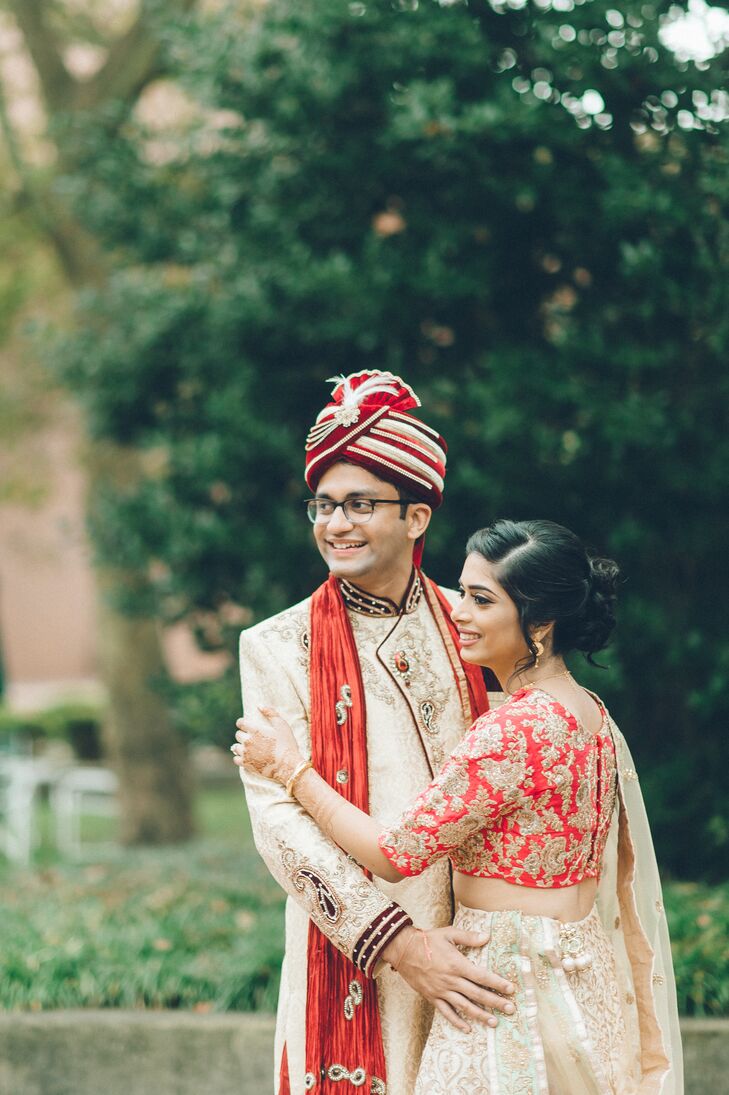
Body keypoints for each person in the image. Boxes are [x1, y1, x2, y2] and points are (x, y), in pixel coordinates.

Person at [234, 519, 683, 1094]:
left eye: (480, 600)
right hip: (581, 971)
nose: (459, 613)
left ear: (539, 624)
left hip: (504, 982)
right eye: (462, 594)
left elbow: (392, 854)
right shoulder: (589, 711)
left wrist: (291, 770)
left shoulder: (511, 731)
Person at [236, 370, 515, 1095]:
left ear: (416, 516)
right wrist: (399, 943)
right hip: (357, 952)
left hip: (485, 942)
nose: (335, 524)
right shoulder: (276, 645)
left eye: (360, 503)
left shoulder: (473, 622)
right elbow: (278, 823)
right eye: (323, 505)